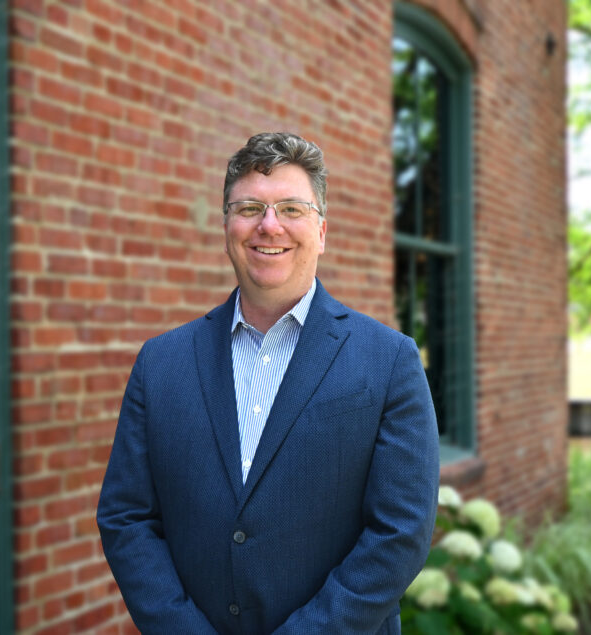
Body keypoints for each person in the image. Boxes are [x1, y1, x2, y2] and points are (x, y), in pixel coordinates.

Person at [96, 132, 440, 634]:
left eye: (292, 209)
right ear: (227, 227)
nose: (269, 225)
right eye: (250, 207)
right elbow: (126, 518)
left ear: (322, 231)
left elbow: (401, 532)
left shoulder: (389, 360)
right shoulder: (161, 362)